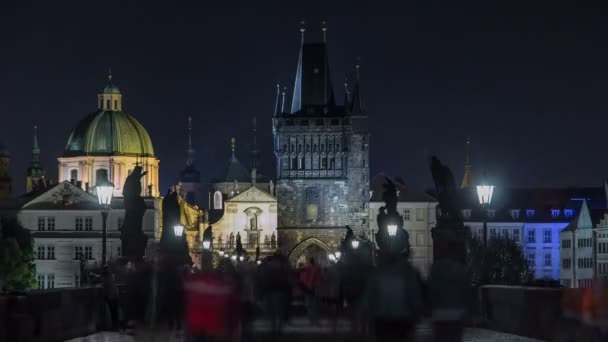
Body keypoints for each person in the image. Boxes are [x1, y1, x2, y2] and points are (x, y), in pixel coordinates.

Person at [363, 252, 423, 342]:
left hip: (382, 317)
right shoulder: (407, 275)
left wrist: (368, 315)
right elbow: (414, 296)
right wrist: (417, 313)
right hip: (403, 317)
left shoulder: (376, 275)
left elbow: (370, 298)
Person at [185, 259, 241, 342]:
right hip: (215, 326)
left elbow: (189, 305)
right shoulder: (225, 287)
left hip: (199, 325)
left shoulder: (195, 281)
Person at [428, 254, 469, 342]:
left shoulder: (435, 269)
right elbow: (466, 292)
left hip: (439, 314)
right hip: (457, 314)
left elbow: (430, 290)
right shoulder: (460, 269)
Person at [259, 252, 291, 336]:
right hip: (282, 290)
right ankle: (279, 328)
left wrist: (262, 289)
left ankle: (273, 327)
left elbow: (262, 277)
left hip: (270, 289)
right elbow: (289, 277)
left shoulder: (268, 265)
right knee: (280, 310)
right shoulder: (284, 265)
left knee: (271, 310)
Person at [300, 257, 322, 324]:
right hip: (315, 287)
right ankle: (316, 320)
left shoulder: (306, 268)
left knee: (309, 305)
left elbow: (303, 279)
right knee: (315, 305)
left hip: (308, 288)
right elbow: (320, 277)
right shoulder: (318, 268)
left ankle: (312, 320)